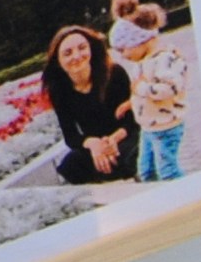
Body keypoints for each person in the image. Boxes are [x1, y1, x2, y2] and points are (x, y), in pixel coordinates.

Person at [40, 25, 137, 185]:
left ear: (91, 49)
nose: (77, 56)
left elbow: (132, 119)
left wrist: (113, 140)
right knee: (71, 165)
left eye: (82, 48)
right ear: (58, 60)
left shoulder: (114, 73)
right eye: (67, 53)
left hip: (125, 136)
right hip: (94, 144)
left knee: (131, 155)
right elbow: (71, 136)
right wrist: (94, 145)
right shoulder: (58, 90)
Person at [126, 10, 189, 183]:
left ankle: (193, 193)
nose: (124, 55)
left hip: (166, 126)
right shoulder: (142, 61)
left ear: (140, 41)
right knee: (146, 172)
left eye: (125, 48)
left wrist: (143, 88)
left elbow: (170, 88)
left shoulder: (163, 60)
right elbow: (138, 91)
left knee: (168, 171)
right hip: (149, 126)